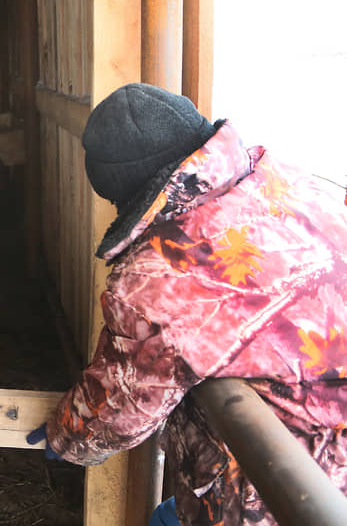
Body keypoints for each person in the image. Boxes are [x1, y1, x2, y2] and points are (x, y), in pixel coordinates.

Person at [27, 83, 347, 525]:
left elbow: (121, 405)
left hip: (288, 486)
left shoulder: (160, 275)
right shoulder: (289, 182)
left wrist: (67, 434)